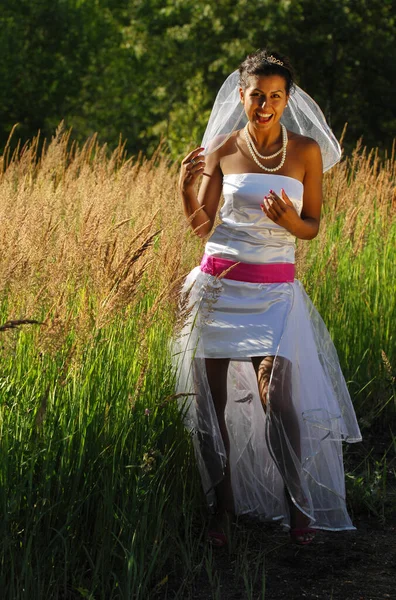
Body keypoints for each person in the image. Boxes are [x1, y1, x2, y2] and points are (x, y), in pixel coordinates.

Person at [175, 50, 361, 546]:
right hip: (218, 288)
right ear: (242, 95)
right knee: (211, 408)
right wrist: (184, 188)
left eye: (275, 96)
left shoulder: (305, 152)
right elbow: (202, 226)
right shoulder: (220, 148)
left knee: (277, 397)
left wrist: (288, 222)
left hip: (274, 292)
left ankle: (299, 505)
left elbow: (313, 227)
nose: (265, 105)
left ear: (286, 99)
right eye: (256, 95)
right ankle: (223, 510)